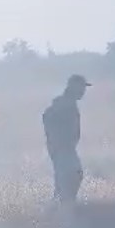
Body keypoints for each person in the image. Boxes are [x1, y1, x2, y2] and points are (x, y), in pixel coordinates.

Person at [42, 74, 90, 205]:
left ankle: (60, 209)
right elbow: (47, 116)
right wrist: (57, 140)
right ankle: (61, 210)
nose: (83, 91)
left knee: (68, 179)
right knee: (70, 178)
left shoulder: (69, 103)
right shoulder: (65, 103)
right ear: (73, 87)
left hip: (65, 148)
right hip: (63, 148)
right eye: (82, 87)